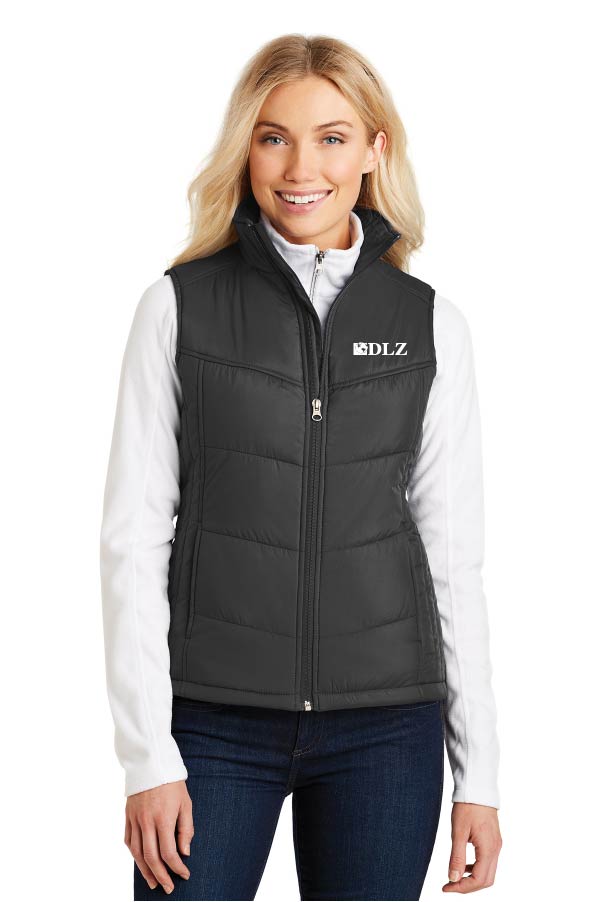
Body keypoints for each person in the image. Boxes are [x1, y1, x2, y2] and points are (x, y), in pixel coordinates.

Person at [100, 33, 502, 901]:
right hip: (212, 725)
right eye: (273, 137)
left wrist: (479, 775)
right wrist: (146, 757)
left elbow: (451, 559)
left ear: (373, 151)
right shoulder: (178, 308)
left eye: (331, 137)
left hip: (385, 731)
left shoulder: (430, 325)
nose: (299, 167)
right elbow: (131, 542)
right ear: (245, 149)